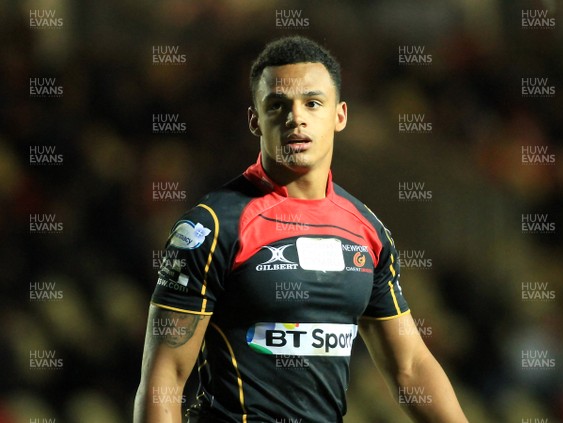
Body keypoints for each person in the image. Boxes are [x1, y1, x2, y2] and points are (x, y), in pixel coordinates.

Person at [134, 36, 468, 423]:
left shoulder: (368, 231)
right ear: (254, 119)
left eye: (312, 102)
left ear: (340, 115)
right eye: (278, 105)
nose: (296, 117)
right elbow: (165, 378)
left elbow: (410, 366)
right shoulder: (210, 226)